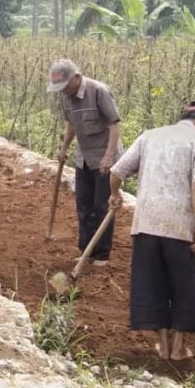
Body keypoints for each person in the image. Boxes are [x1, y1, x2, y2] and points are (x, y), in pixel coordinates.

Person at [109, 100, 195, 361]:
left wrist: (115, 195)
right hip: (180, 226)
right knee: (183, 286)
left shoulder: (151, 136)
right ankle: (178, 347)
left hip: (146, 224)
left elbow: (117, 172)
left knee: (153, 284)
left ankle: (161, 345)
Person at [47, 59, 122, 267]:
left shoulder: (99, 91)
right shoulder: (67, 97)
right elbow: (71, 123)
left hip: (104, 157)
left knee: (101, 206)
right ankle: (86, 250)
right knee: (83, 205)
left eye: (65, 86)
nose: (63, 91)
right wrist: (64, 148)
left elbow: (115, 125)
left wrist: (109, 156)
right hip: (84, 158)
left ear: (77, 78)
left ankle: (101, 255)